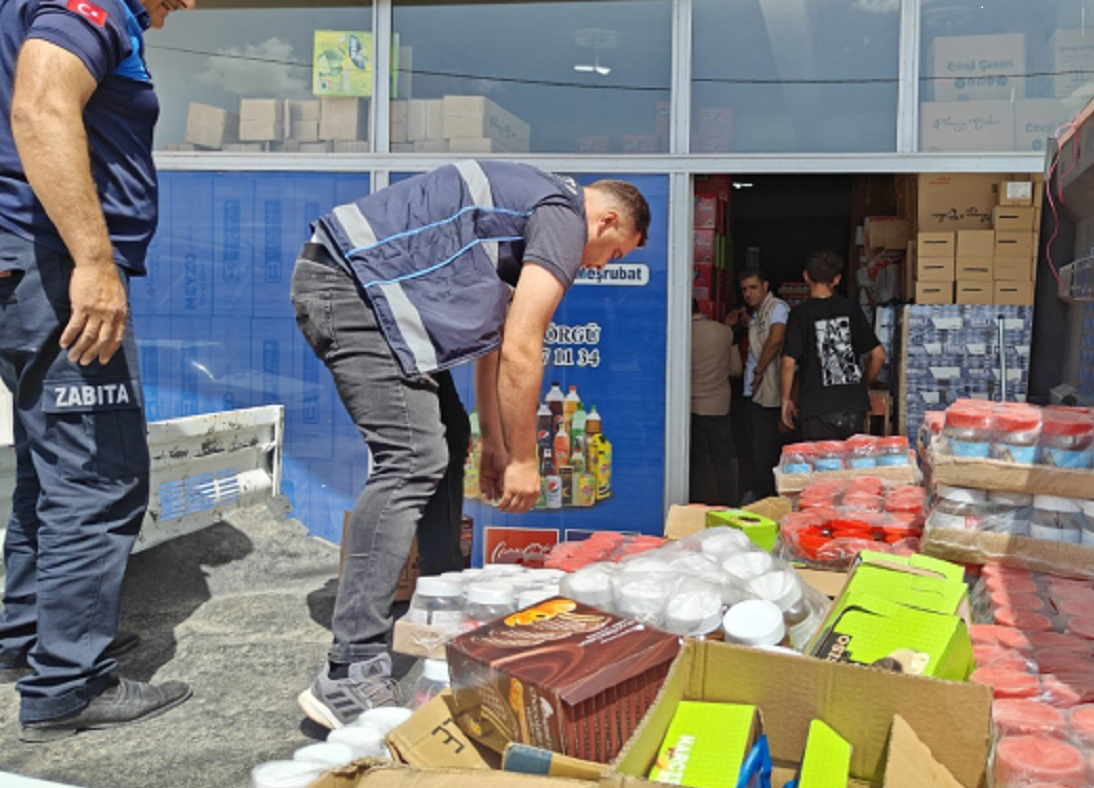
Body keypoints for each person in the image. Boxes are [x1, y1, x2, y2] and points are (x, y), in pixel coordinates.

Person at [291, 159, 648, 729]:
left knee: (450, 436)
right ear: (605, 221)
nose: (604, 265)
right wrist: (528, 461)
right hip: (352, 290)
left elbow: (495, 344)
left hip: (365, 293)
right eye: (616, 253)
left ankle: (440, 602)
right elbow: (523, 349)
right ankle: (349, 671)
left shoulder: (526, 218)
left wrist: (496, 448)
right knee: (412, 458)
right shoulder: (561, 215)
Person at [0, 0, 205, 742]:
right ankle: (69, 688)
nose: (187, 0)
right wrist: (92, 261)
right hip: (48, 264)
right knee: (102, 474)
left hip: (19, 263)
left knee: (50, 469)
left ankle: (26, 644)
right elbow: (43, 109)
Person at [781, 249, 885, 441]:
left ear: (806, 276)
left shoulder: (800, 314)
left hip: (816, 407)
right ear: (836, 279)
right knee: (852, 469)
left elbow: (789, 362)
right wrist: (862, 384)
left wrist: (786, 401)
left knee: (822, 468)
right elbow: (879, 355)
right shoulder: (851, 308)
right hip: (853, 405)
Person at [726, 267, 787, 499]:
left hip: (768, 392)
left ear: (765, 286)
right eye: (744, 290)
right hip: (754, 392)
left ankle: (769, 500)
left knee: (764, 453)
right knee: (753, 450)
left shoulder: (777, 308)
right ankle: (760, 496)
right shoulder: (756, 314)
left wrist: (759, 369)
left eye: (753, 288)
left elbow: (776, 337)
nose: (748, 294)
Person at [690, 299, 741, 505]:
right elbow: (736, 369)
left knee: (697, 463)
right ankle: (728, 504)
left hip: (691, 407)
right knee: (722, 462)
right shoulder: (724, 332)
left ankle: (696, 506)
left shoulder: (679, 333)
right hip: (718, 407)